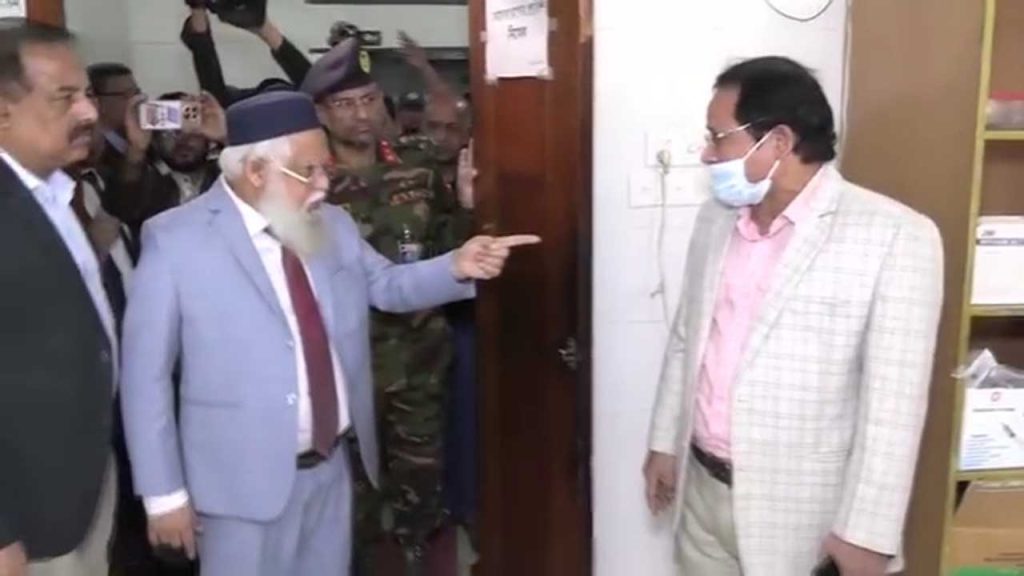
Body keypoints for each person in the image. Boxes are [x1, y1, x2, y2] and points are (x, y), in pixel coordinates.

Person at [119, 90, 538, 576]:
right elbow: (144, 378)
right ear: (256, 172)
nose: (324, 184)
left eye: (326, 169)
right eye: (309, 171)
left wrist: (458, 266)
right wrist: (163, 495)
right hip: (237, 486)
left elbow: (386, 286)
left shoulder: (331, 224)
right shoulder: (177, 240)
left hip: (331, 470)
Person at [642, 56, 944, 576]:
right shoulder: (716, 220)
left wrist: (867, 535)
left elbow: (894, 407)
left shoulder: (896, 236)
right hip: (702, 493)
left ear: (778, 141)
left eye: (719, 138)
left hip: (801, 514)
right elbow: (687, 338)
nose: (707, 153)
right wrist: (664, 443)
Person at [302, 37, 474, 575]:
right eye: (345, 104)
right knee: (349, 496)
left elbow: (447, 252)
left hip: (418, 361)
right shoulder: (308, 183)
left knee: (421, 487)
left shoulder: (419, 168)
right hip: (345, 364)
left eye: (369, 99)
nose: (361, 114)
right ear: (321, 113)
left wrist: (467, 210)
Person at [0, 19, 117, 576]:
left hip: (76, 490)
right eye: (64, 98)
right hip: (24, 523)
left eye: (87, 93)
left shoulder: (52, 190)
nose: (89, 112)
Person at [103, 90, 224, 236]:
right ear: (155, 137)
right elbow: (120, 207)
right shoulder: (146, 184)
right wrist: (136, 149)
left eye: (193, 130)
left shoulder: (225, 174)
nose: (184, 140)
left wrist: (224, 137)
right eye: (171, 131)